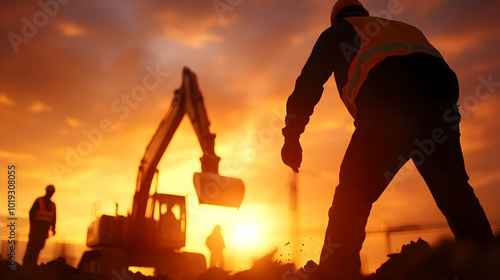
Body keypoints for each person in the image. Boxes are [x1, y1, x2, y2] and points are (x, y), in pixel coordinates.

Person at [281, 0, 495, 279]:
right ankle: (487, 264)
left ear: (337, 19)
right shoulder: (403, 29)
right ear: (364, 14)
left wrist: (292, 135)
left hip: (388, 109)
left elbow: (308, 83)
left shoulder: (338, 33)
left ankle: (336, 272)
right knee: (456, 192)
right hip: (441, 110)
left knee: (353, 194)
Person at [23, 185, 57, 267]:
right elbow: (31, 213)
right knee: (32, 246)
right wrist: (32, 226)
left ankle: (32, 263)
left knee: (39, 246)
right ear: (46, 191)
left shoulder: (52, 205)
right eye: (49, 192)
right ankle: (26, 264)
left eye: (51, 193)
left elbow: (54, 217)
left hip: (44, 230)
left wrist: (53, 228)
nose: (50, 194)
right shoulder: (39, 201)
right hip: (36, 228)